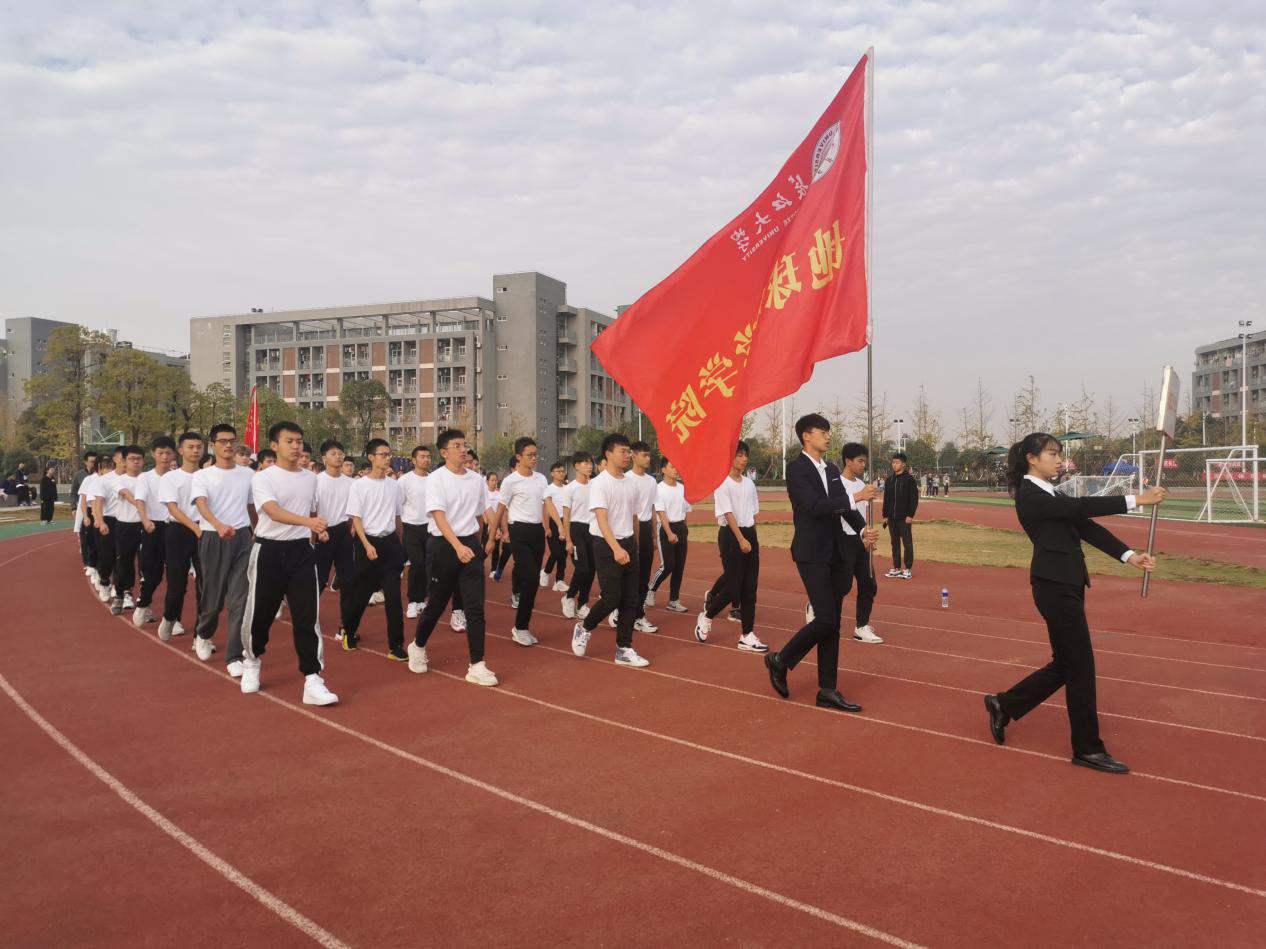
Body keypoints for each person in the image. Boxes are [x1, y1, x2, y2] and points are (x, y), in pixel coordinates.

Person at [984, 433, 1166, 774]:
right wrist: (1137, 500)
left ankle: (1004, 704)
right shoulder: (1030, 496)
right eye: (1052, 454)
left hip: (1068, 583)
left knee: (1067, 663)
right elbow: (1080, 507)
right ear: (1031, 459)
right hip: (1053, 586)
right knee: (1081, 666)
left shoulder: (1051, 493)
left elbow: (1085, 526)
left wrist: (1129, 556)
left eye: (1059, 454)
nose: (1059, 460)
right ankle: (1087, 748)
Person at [763, 414, 878, 711]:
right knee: (826, 618)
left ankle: (827, 689)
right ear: (806, 436)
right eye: (822, 432)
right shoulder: (797, 470)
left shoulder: (831, 469)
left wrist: (863, 529)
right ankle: (780, 660)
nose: (828, 437)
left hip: (836, 552)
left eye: (828, 432)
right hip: (811, 553)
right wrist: (857, 497)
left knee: (833, 623)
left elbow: (844, 508)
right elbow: (815, 507)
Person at [238, 421, 338, 704]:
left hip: (301, 552)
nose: (296, 446)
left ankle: (313, 678)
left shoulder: (311, 478)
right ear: (274, 445)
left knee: (307, 616)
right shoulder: (263, 478)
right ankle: (252, 660)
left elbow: (312, 510)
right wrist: (308, 522)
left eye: (299, 441)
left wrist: (318, 529)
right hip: (268, 551)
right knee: (260, 614)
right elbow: (272, 511)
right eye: (289, 441)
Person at [408, 428, 499, 686]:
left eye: (464, 444)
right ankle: (418, 645)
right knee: (436, 605)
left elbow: (480, 514)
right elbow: (439, 516)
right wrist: (457, 546)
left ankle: (477, 664)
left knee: (475, 607)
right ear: (444, 452)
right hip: (443, 545)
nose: (463, 449)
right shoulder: (436, 479)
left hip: (469, 545)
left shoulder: (476, 479)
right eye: (456, 446)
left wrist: (484, 541)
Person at [569, 433, 650, 667]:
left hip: (628, 543)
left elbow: (633, 516)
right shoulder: (600, 483)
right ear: (608, 454)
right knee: (611, 598)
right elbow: (601, 518)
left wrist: (634, 544)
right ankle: (584, 627)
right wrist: (615, 548)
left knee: (631, 600)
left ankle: (624, 648)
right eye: (623, 451)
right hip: (606, 544)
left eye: (629, 451)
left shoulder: (631, 483)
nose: (627, 455)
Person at [190, 423, 256, 675]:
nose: (228, 445)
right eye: (223, 441)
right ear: (212, 445)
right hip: (213, 536)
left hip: (242, 537)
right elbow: (201, 504)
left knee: (240, 599)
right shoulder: (202, 476)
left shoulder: (248, 474)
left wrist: (256, 531)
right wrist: (218, 525)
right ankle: (203, 632)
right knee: (214, 598)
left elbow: (251, 506)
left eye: (232, 441)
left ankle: (234, 656)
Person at [693, 442, 767, 652]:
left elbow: (752, 513)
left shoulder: (749, 484)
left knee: (750, 588)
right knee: (734, 587)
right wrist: (741, 539)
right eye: (739, 455)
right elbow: (728, 513)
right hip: (730, 536)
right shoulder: (723, 483)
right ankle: (707, 616)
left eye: (745, 455)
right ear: (730, 458)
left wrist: (751, 537)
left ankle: (747, 635)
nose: (744, 459)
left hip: (749, 534)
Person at [342, 439, 406, 658]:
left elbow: (397, 517)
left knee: (394, 598)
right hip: (367, 543)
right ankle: (349, 630)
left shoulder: (395, 486)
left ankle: (396, 645)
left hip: (390, 544)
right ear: (371, 457)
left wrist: (400, 543)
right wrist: (366, 544)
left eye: (389, 454)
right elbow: (356, 519)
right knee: (361, 594)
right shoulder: (359, 486)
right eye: (382, 454)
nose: (387, 458)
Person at [495, 436, 549, 647]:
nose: (534, 458)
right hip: (518, 531)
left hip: (536, 531)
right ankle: (520, 627)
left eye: (536, 455)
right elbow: (501, 508)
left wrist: (553, 527)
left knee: (532, 581)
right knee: (532, 579)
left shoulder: (541, 479)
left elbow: (547, 504)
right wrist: (495, 534)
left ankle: (523, 626)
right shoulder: (510, 481)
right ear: (519, 457)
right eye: (530, 455)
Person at [157, 431, 204, 641]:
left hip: (205, 531)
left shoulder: (208, 476)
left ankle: (201, 635)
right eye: (190, 447)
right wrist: (193, 527)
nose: (195, 451)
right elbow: (172, 508)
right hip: (178, 531)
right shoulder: (170, 477)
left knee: (206, 584)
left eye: (199, 447)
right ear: (181, 450)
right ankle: (170, 617)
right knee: (177, 585)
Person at [839, 443, 883, 644]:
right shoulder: (837, 483)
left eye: (865, 461)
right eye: (860, 461)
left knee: (868, 583)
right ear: (848, 461)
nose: (863, 465)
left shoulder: (862, 485)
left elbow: (864, 514)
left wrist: (868, 536)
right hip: (842, 540)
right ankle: (817, 605)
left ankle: (861, 626)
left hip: (860, 540)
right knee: (843, 585)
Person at [313, 439, 356, 638]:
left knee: (348, 580)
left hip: (343, 532)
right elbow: (311, 510)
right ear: (324, 458)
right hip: (322, 532)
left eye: (340, 453)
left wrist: (352, 527)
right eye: (333, 453)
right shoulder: (316, 481)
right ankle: (309, 619)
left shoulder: (351, 483)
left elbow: (354, 510)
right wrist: (316, 530)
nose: (338, 457)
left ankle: (346, 626)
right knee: (318, 579)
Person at [131, 436, 176, 626]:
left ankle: (173, 617)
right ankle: (143, 603)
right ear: (153, 454)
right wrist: (145, 520)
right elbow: (140, 500)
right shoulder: (145, 477)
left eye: (168, 453)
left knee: (176, 576)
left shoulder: (177, 476)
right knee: (153, 573)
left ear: (174, 454)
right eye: (161, 453)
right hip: (153, 527)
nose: (165, 457)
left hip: (175, 527)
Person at [621, 441, 658, 634]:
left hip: (645, 528)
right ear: (633, 456)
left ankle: (638, 615)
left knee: (644, 576)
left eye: (649, 455)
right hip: (628, 529)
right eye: (644, 455)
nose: (648, 458)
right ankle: (624, 612)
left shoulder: (651, 482)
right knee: (629, 576)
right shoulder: (626, 479)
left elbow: (652, 509)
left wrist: (653, 535)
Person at [647, 457, 691, 612]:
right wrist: (669, 533)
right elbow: (661, 512)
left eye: (677, 467)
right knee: (668, 565)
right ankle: (651, 589)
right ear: (663, 470)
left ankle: (674, 600)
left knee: (679, 567)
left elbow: (685, 511)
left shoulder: (682, 488)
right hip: (666, 529)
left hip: (681, 528)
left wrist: (684, 529)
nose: (676, 470)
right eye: (672, 467)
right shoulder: (659, 489)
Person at [110, 445, 147, 615]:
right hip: (125, 526)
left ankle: (143, 601)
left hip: (145, 526)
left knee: (146, 564)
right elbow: (127, 495)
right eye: (132, 459)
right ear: (125, 461)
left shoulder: (147, 478)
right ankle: (120, 595)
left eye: (139, 459)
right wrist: (141, 506)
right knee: (124, 563)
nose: (136, 462)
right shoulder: (119, 480)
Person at [560, 451, 595, 620]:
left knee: (592, 568)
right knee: (582, 568)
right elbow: (566, 515)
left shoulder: (595, 485)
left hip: (593, 530)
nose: (589, 466)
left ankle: (582, 604)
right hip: (576, 529)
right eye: (585, 463)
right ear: (576, 466)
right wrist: (568, 539)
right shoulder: (570, 488)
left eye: (590, 463)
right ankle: (568, 597)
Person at [399, 444, 433, 619]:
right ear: (414, 460)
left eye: (428, 457)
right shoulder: (404, 481)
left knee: (428, 565)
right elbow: (397, 506)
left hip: (430, 527)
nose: (426, 459)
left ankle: (421, 599)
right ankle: (413, 601)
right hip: (411, 527)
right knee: (417, 563)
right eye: (422, 456)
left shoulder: (434, 479)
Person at [87, 450, 121, 603]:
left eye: (109, 466)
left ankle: (120, 587)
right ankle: (105, 581)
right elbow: (95, 503)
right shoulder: (98, 482)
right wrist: (98, 520)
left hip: (124, 521)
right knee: (107, 556)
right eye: (104, 467)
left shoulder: (127, 478)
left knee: (123, 557)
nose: (107, 469)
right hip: (107, 520)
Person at [882, 451, 918, 579]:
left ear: (903, 464)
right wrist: (885, 515)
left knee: (907, 544)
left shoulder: (909, 480)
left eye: (897, 462)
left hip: (904, 518)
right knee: (894, 543)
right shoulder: (890, 480)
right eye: (893, 462)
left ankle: (907, 569)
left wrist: (910, 515)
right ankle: (896, 568)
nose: (894, 465)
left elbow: (914, 498)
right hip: (891, 518)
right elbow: (886, 499)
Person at [542, 460, 569, 592]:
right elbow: (546, 510)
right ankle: (546, 571)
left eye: (563, 471)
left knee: (564, 553)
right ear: (552, 473)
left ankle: (559, 580)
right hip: (553, 523)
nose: (561, 473)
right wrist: (546, 527)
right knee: (556, 552)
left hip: (566, 521)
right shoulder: (548, 489)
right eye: (558, 471)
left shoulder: (567, 489)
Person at [75, 454, 100, 580]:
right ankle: (89, 564)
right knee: (89, 540)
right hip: (91, 510)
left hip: (105, 512)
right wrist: (84, 516)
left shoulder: (111, 479)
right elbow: (83, 500)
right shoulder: (88, 479)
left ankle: (98, 564)